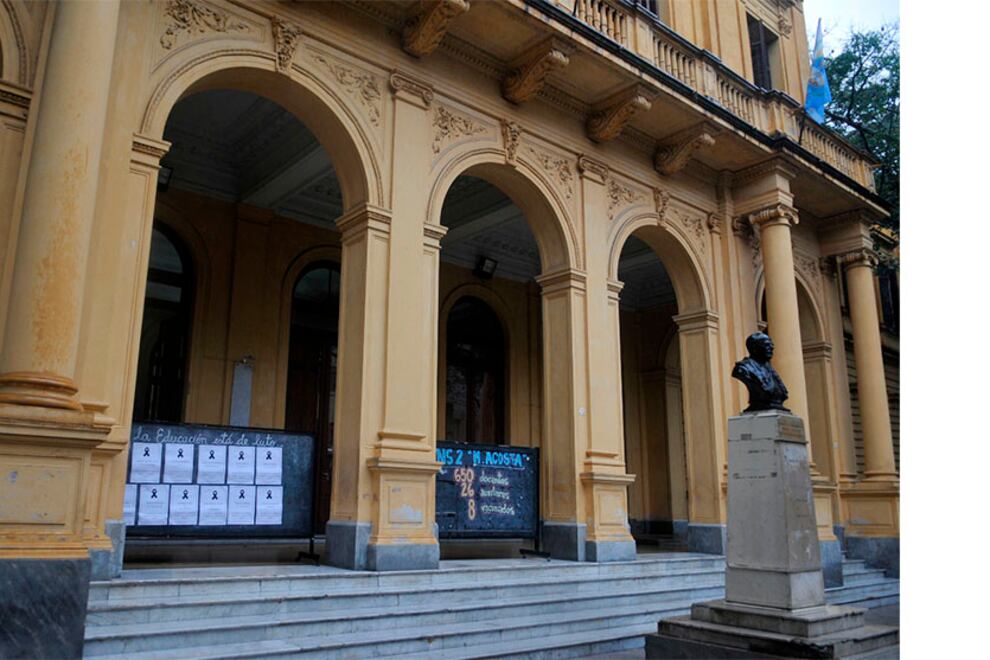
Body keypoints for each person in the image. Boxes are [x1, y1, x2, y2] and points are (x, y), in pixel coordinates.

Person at [732, 332, 790, 412]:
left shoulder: (770, 370)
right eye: (766, 345)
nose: (772, 347)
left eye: (771, 345)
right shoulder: (743, 368)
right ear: (754, 347)